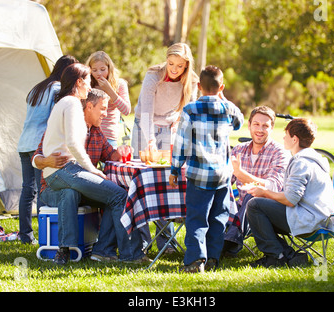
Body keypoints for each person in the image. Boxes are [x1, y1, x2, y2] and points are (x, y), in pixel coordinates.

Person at [33, 64, 147, 265]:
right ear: (79, 82)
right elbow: (73, 144)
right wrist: (93, 170)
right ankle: (132, 255)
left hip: (60, 174)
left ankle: (93, 251)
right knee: (119, 195)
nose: (89, 84)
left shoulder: (64, 104)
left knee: (101, 196)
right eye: (87, 80)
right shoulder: (72, 103)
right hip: (65, 170)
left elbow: (80, 146)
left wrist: (117, 154)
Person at [169, 66, 244, 273]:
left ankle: (195, 261)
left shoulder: (190, 110)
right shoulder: (228, 109)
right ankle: (212, 259)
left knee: (196, 218)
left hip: (198, 174)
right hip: (222, 176)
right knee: (218, 219)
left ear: (199, 86)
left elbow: (181, 143)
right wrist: (223, 96)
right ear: (221, 87)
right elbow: (240, 122)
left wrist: (175, 169)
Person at [246, 118, 334, 268]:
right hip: (323, 217)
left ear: (294, 139)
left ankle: (276, 256)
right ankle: (287, 255)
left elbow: (290, 200)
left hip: (312, 221)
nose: (284, 138)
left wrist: (264, 192)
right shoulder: (315, 159)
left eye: (287, 135)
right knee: (262, 210)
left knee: (254, 205)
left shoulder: (301, 163)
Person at [132, 42, 199, 252]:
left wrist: (181, 140)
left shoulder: (191, 81)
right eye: (171, 63)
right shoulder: (153, 75)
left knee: (166, 180)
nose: (174, 69)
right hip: (145, 126)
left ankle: (166, 241)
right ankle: (141, 242)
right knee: (143, 179)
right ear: (166, 60)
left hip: (170, 127)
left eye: (180, 66)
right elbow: (145, 112)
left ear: (186, 66)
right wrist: (150, 139)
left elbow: (189, 115)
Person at [17, 54, 78, 244]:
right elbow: (55, 119)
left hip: (24, 143)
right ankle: (46, 236)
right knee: (44, 189)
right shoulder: (58, 89)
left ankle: (26, 235)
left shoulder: (38, 87)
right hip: (39, 146)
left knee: (28, 191)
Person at [222, 106, 290, 257]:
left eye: (265, 126)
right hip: (239, 209)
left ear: (272, 128)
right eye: (256, 124)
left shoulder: (280, 152)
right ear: (249, 125)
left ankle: (228, 242)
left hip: (267, 208)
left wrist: (241, 173)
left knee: (252, 196)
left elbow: (272, 186)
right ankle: (210, 241)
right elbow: (225, 180)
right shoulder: (239, 150)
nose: (260, 129)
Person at [86, 51, 131, 148]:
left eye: (102, 69)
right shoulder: (88, 85)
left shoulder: (119, 84)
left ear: (109, 68)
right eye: (94, 70)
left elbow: (126, 110)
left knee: (109, 163)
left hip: (109, 137)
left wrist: (109, 90)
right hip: (89, 136)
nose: (99, 73)